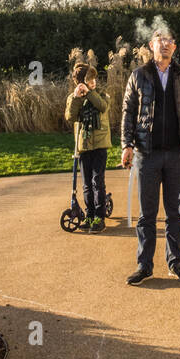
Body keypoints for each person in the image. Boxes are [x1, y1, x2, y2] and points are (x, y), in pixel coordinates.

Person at [120, 29, 180, 285]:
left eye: (169, 41)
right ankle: (144, 265)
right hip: (148, 154)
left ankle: (175, 262)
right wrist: (127, 144)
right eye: (160, 41)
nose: (164, 45)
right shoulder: (139, 75)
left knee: (175, 213)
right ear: (151, 45)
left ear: (174, 47)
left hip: (177, 154)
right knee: (147, 215)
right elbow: (128, 111)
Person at [65, 63, 111, 232]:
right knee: (86, 184)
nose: (94, 82)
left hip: (99, 144)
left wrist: (89, 92)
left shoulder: (101, 94)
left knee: (97, 181)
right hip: (84, 146)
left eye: (94, 79)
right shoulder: (74, 97)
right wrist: (77, 97)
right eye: (90, 80)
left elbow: (102, 106)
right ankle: (89, 214)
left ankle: (100, 217)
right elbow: (71, 116)